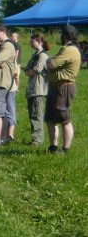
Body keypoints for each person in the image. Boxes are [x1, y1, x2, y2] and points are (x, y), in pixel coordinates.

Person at [45, 25, 81, 153]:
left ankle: (65, 149)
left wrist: (49, 60)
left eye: (61, 35)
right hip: (56, 87)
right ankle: (53, 147)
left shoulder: (70, 49)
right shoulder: (66, 48)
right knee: (50, 119)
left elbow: (50, 64)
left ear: (65, 36)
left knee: (64, 119)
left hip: (63, 87)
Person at [23, 34, 49, 146]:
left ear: (39, 42)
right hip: (32, 89)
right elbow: (26, 70)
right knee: (32, 114)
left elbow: (34, 71)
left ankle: (38, 139)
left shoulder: (42, 56)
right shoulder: (35, 55)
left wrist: (30, 71)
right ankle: (35, 138)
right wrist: (29, 71)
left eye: (32, 41)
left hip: (38, 89)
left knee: (36, 115)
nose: (30, 43)